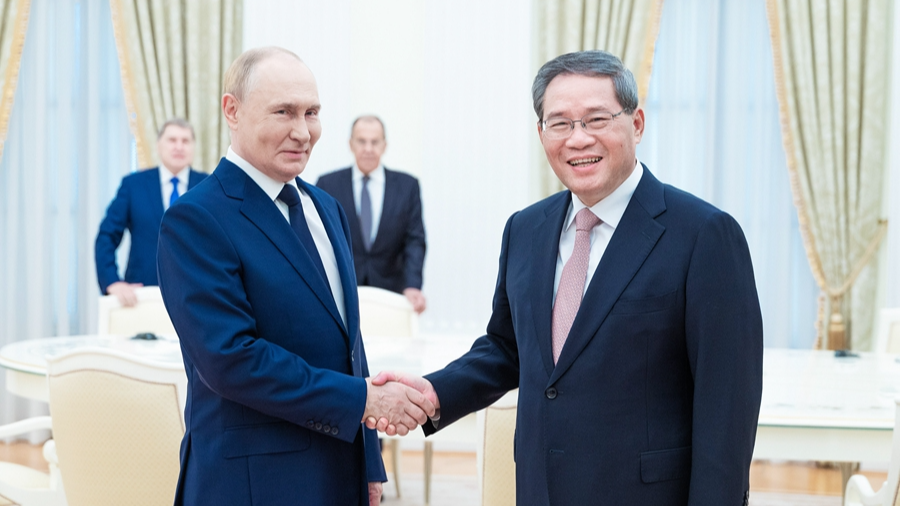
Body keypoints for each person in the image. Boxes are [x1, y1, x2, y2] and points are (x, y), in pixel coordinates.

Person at [372, 50, 763, 505]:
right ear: (541, 134)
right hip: (542, 489)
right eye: (559, 123)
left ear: (636, 124)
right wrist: (436, 392)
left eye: (596, 119)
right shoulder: (525, 229)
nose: (578, 139)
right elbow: (508, 348)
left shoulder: (704, 235)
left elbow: (727, 409)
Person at [156, 47, 434, 506]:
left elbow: (350, 347)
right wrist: (363, 401)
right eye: (283, 112)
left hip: (339, 472)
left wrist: (369, 461)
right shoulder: (195, 219)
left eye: (312, 113)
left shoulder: (327, 208)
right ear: (233, 110)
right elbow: (232, 360)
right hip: (251, 483)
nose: (302, 132)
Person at [316, 116, 427, 313]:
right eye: (361, 141)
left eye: (375, 142)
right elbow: (318, 239)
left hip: (391, 293)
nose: (368, 148)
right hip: (340, 292)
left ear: (384, 145)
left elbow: (414, 241)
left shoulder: (407, 186)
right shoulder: (328, 185)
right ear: (351, 144)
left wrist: (412, 285)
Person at [94, 118, 207, 306]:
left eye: (185, 141)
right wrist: (112, 281)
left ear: (193, 147)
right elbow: (106, 236)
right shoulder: (133, 186)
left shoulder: (208, 186)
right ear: (158, 145)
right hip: (141, 298)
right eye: (172, 140)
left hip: (197, 298)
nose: (179, 146)